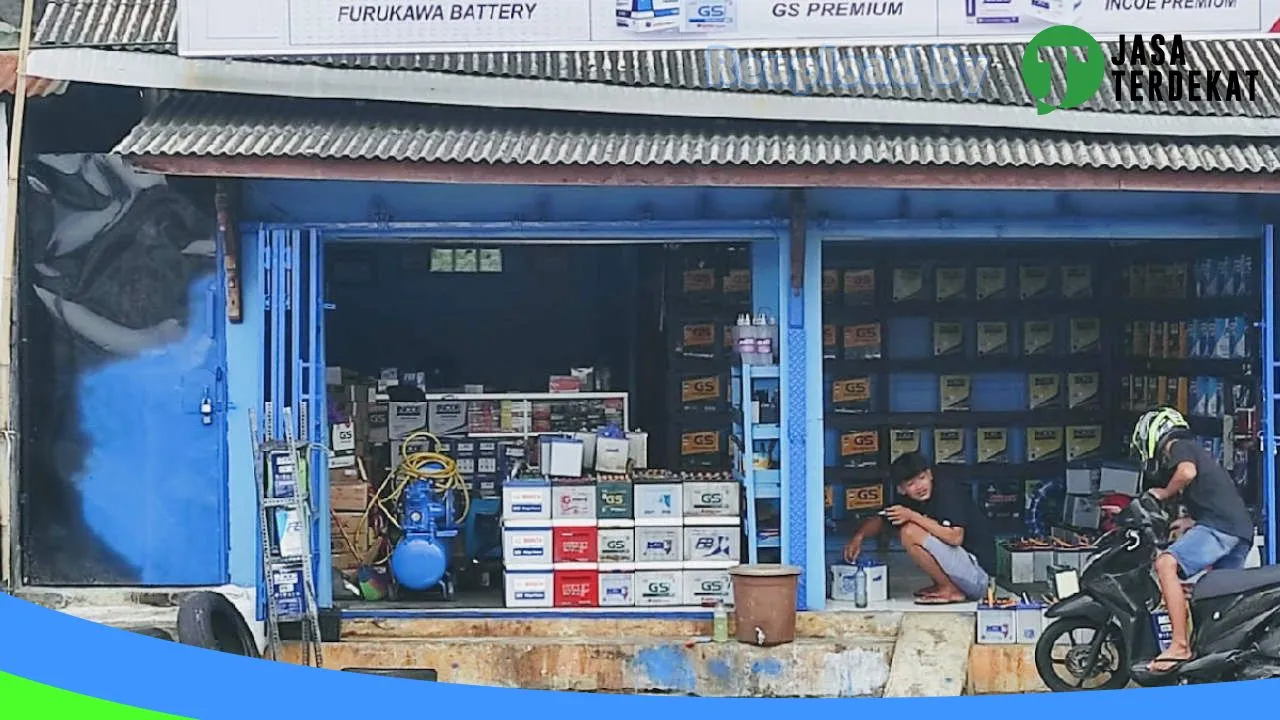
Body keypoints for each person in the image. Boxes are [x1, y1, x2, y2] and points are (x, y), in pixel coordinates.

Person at [1132, 407, 1254, 673]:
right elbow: (1215, 497)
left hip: (1223, 528)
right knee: (1217, 598)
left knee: (1166, 565)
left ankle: (1179, 646)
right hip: (1237, 529)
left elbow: (1187, 473)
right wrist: (1191, 523)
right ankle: (1215, 658)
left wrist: (1163, 493)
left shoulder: (1179, 446)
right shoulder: (1196, 450)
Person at [843, 451, 997, 605]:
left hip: (981, 579)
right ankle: (943, 586)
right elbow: (883, 519)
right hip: (966, 573)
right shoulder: (909, 501)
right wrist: (859, 537)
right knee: (910, 528)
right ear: (901, 489)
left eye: (922, 478)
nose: (919, 487)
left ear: (930, 475)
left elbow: (955, 537)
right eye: (911, 484)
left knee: (909, 531)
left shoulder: (947, 490)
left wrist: (912, 516)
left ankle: (949, 589)